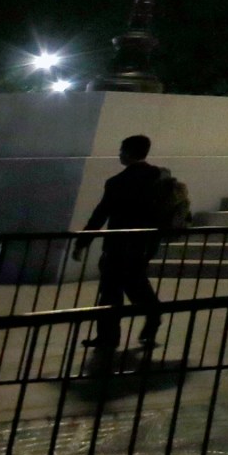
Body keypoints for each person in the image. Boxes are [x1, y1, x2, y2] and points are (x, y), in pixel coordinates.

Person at [75, 134, 175, 354]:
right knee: (135, 282)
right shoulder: (160, 176)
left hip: (118, 244)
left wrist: (83, 242)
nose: (119, 154)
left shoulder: (118, 183)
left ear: (129, 152)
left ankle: (108, 337)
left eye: (122, 150)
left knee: (111, 290)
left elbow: (100, 214)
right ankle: (152, 314)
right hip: (145, 242)